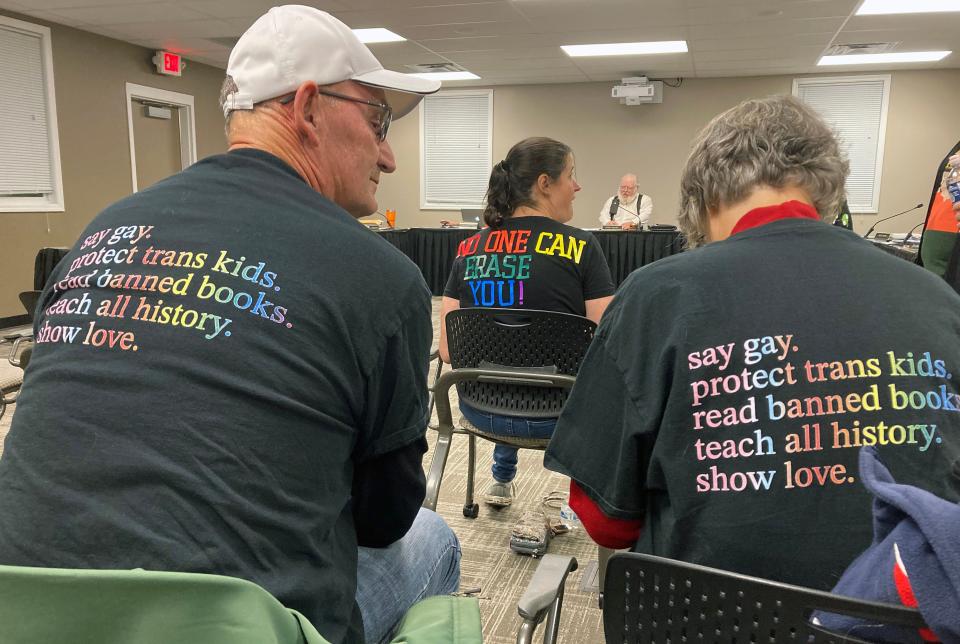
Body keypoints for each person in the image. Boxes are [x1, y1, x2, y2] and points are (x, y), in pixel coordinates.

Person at [0, 7, 460, 644]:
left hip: (30, 613)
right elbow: (383, 520)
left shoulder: (103, 229)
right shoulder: (381, 276)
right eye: (378, 121)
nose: (387, 155)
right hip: (240, 626)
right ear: (306, 107)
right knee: (433, 538)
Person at [544, 95, 960, 591]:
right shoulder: (937, 298)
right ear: (826, 191)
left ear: (706, 198)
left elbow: (604, 522)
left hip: (701, 618)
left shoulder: (658, 294)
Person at [439, 137, 614, 507]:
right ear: (544, 183)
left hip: (481, 408)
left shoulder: (467, 249)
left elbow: (448, 351)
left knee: (505, 359)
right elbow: (605, 348)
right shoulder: (582, 247)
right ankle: (578, 499)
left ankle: (501, 479)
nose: (577, 186)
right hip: (560, 416)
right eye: (571, 175)